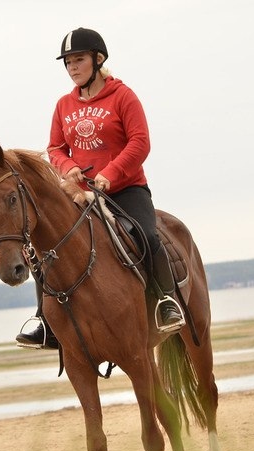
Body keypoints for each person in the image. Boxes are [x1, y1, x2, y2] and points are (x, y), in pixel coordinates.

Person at [16, 27, 185, 349]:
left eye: (78, 60)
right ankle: (45, 321)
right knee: (44, 246)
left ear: (98, 59)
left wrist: (111, 173)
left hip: (125, 190)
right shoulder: (63, 104)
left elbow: (140, 142)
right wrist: (68, 168)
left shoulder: (123, 96)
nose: (72, 68)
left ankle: (165, 301)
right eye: (67, 63)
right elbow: (54, 148)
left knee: (146, 235)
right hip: (79, 193)